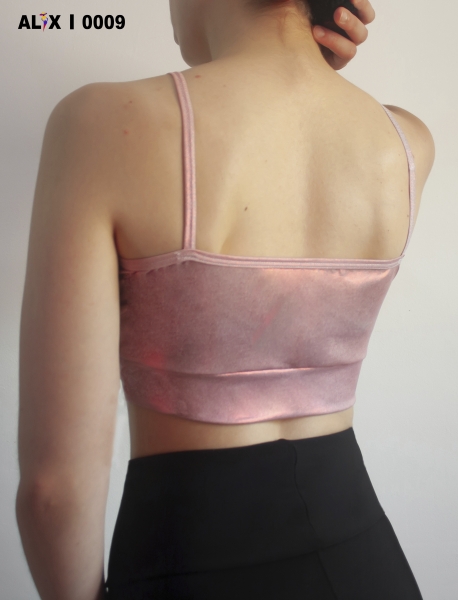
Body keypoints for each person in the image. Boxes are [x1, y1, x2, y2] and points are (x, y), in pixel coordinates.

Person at [16, 0, 435, 599]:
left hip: (187, 563)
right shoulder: (406, 141)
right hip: (366, 564)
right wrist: (306, 79)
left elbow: (53, 492)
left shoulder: (102, 123)